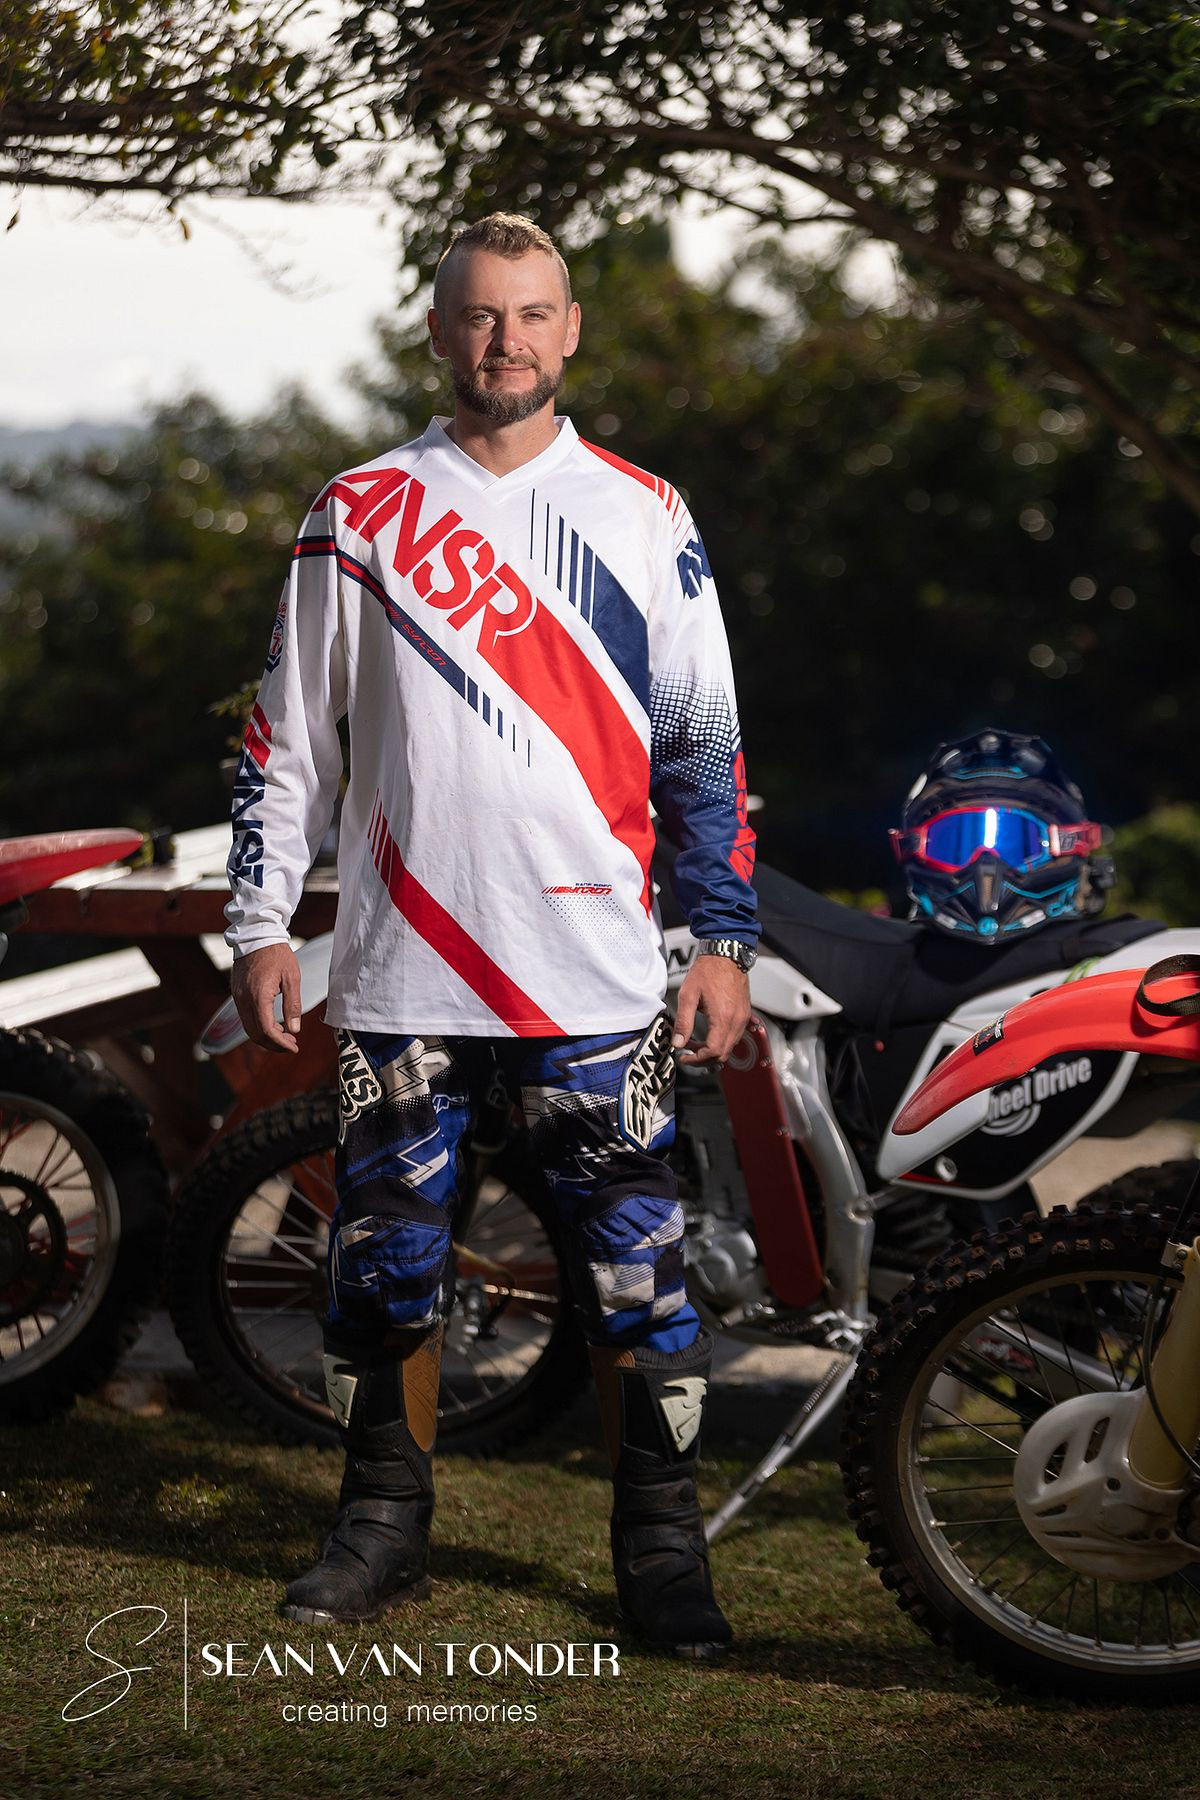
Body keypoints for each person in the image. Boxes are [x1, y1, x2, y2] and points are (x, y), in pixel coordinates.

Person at [224, 213, 761, 1659]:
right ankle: (379, 1527)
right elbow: (288, 735)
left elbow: (705, 747)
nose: (505, 340)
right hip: (402, 973)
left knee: (639, 1280)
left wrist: (721, 936)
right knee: (381, 1274)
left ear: (570, 330)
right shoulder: (360, 509)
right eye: (479, 314)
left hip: (595, 976)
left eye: (531, 314)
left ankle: (663, 1554)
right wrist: (261, 922)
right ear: (438, 332)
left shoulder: (645, 511)